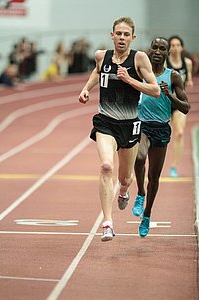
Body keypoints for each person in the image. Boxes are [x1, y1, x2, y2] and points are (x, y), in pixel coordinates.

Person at [79, 16, 160, 242]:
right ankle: (107, 222)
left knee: (125, 178)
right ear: (112, 35)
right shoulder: (101, 56)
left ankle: (123, 191)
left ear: (133, 38)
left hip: (129, 125)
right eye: (119, 33)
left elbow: (155, 90)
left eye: (127, 34)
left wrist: (130, 81)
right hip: (105, 122)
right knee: (106, 166)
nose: (122, 38)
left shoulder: (139, 59)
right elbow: (97, 71)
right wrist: (86, 89)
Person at [131, 37, 190, 237]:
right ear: (150, 50)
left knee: (154, 177)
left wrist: (170, 95)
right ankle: (140, 193)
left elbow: (186, 107)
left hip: (162, 128)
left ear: (166, 53)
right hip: (142, 124)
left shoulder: (172, 76)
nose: (157, 51)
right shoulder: (141, 72)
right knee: (139, 158)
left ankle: (147, 214)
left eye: (161, 48)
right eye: (154, 47)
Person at [166, 35, 193, 177]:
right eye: (173, 45)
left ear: (182, 47)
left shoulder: (187, 63)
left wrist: (188, 81)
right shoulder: (165, 63)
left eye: (178, 45)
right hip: (164, 102)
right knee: (160, 135)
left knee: (180, 133)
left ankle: (174, 166)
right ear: (169, 48)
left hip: (179, 103)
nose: (175, 48)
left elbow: (188, 79)